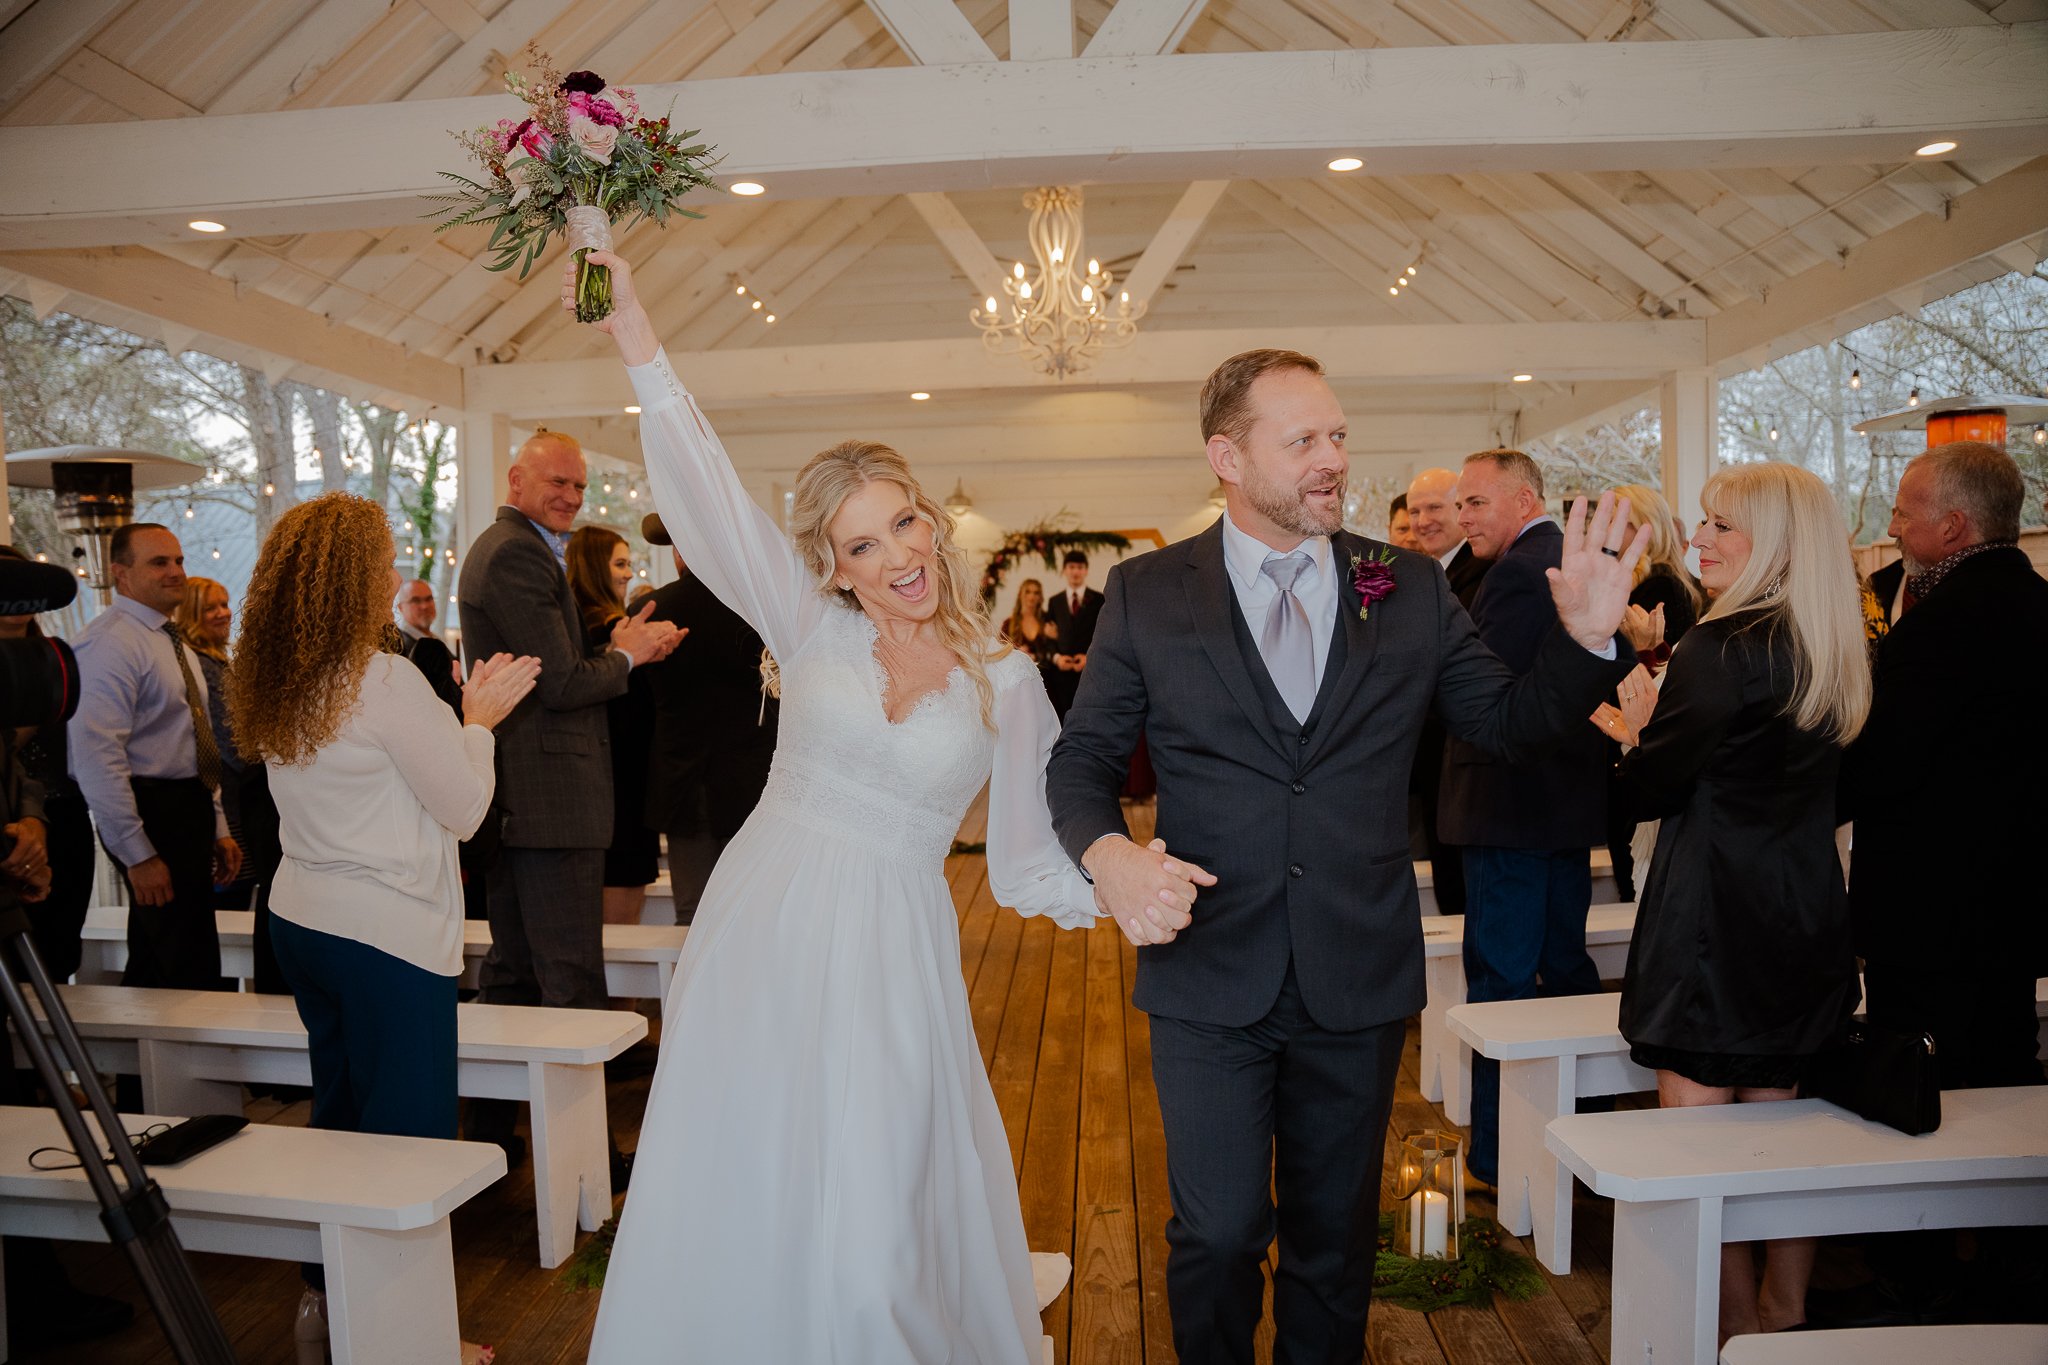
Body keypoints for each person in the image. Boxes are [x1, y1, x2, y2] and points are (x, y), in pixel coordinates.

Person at [1046, 349, 1644, 1364]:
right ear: (1225, 456)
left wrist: (1582, 642)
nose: (1331, 460)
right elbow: (1081, 764)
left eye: (1337, 437)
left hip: (1354, 972)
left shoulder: (1401, 583)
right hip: (1206, 968)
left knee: (1332, 1248)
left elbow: (1500, 723)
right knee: (1218, 1233)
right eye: (1302, 442)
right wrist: (1108, 856)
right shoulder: (1147, 591)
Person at [572, 249, 1092, 1362]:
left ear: (929, 523)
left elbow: (1029, 858)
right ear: (833, 564)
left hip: (895, 947)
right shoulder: (807, 628)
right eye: (864, 543)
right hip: (763, 924)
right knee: (753, 1157)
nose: (899, 555)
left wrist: (1135, 895)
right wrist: (637, 340)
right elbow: (705, 491)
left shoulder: (1005, 678)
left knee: (876, 1200)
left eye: (905, 524)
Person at [229, 492, 534, 1365]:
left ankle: (326, 1315)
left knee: (341, 1118)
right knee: (407, 1141)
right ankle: (409, 1340)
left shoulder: (281, 677)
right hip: (384, 934)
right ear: (352, 578)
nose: (398, 573)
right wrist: (479, 722)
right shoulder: (382, 677)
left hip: (305, 918)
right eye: (386, 561)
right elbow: (467, 808)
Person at [1596, 462, 1868, 1342]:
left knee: (1697, 1148)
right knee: (1783, 1134)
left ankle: (1735, 1326)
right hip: (1804, 912)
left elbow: (1651, 786)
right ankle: (1782, 1315)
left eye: (1720, 527)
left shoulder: (1722, 644)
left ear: (1776, 545)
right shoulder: (1833, 641)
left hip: (1711, 917)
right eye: (1702, 522)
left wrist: (1635, 735)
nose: (1697, 541)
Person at [1846, 441, 2046, 1088]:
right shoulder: (2039, 605)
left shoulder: (1938, 626)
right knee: (2007, 1068)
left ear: (1953, 526)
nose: (1893, 528)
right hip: (2019, 905)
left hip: (1928, 915)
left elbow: (1881, 766)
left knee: (1922, 1090)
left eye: (1903, 513)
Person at [1442, 449, 1611, 1187]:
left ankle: (1497, 1153)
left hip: (1511, 810)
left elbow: (1488, 703)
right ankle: (1573, 1139)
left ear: (1524, 499)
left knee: (1502, 990)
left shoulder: (1517, 571)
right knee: (1562, 974)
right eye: (1461, 503)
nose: (1463, 517)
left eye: (1477, 501)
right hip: (1561, 809)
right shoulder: (1560, 558)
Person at [68, 522, 241, 990]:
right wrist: (137, 853)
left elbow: (194, 739)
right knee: (169, 962)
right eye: (159, 562)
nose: (175, 572)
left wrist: (218, 826)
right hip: (151, 809)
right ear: (121, 574)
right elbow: (96, 756)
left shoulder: (168, 638)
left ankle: (173, 1061)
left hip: (187, 806)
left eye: (179, 560)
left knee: (187, 954)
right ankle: (149, 1062)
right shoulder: (110, 642)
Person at [636, 513, 779, 927]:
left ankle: (691, 994)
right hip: (754, 778)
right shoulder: (757, 609)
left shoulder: (650, 610)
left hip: (683, 779)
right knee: (756, 910)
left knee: (693, 915)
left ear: (680, 553)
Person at [1603, 483, 1703, 901]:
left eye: (1617, 523)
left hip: (1643, 742)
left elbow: (1666, 679)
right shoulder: (1639, 581)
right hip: (1632, 740)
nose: (1606, 533)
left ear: (1646, 528)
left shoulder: (1658, 587)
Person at [567, 524, 664, 926]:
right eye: (619, 563)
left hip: (605, 789)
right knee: (619, 928)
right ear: (593, 567)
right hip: (621, 789)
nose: (628, 573)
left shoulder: (580, 627)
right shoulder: (606, 630)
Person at [1403, 466, 1490, 915]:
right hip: (1434, 761)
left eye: (1434, 507)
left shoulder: (1481, 572)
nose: (1422, 521)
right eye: (1414, 510)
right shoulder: (1424, 572)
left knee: (1464, 895)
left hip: (1461, 756)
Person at [172, 576, 258, 909]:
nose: (224, 613)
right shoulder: (203, 665)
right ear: (190, 615)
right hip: (227, 802)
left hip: (228, 798)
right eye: (210, 608)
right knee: (227, 894)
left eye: (224, 604)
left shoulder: (210, 660)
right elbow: (231, 743)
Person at [1043, 550, 1103, 720]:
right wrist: (1057, 658)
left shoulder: (1099, 600)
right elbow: (1048, 637)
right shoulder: (1055, 601)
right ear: (1064, 570)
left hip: (1089, 672)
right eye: (1071, 567)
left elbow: (1104, 634)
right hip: (1060, 676)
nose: (1075, 571)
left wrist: (1089, 657)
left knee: (1087, 718)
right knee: (1062, 719)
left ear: (1086, 570)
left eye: (1080, 567)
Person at [394, 577, 465, 712]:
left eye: (428, 599)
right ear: (401, 607)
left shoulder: (435, 641)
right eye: (416, 600)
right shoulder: (399, 648)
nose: (424, 606)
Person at [999, 576, 1057, 665]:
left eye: (1036, 593)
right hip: (1019, 674)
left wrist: (1056, 637)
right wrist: (1016, 652)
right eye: (1027, 592)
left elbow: (1058, 649)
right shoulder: (1008, 624)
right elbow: (1000, 653)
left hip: (1047, 674)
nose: (1031, 596)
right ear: (1020, 594)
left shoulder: (1047, 620)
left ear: (1040, 597)